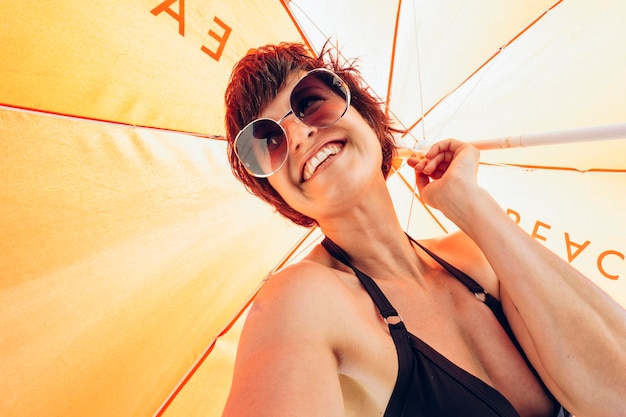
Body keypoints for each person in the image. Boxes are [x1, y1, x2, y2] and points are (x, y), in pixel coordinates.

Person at [221, 42, 626, 417]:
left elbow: (616, 391)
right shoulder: (300, 300)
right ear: (275, 192)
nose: (297, 136)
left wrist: (471, 205)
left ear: (366, 117)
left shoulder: (476, 254)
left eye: (310, 103)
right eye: (267, 141)